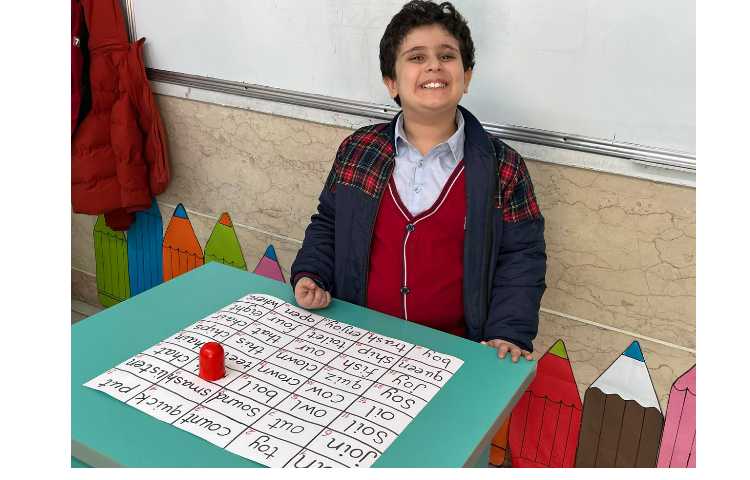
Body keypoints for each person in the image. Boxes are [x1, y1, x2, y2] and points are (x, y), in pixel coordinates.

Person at [291, 0, 546, 362]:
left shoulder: (503, 167)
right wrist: (312, 273)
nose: (433, 65)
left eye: (447, 56)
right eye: (416, 57)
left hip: (457, 354)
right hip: (357, 340)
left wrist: (508, 330)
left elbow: (522, 257)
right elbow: (329, 223)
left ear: (467, 76)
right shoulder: (358, 151)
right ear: (391, 82)